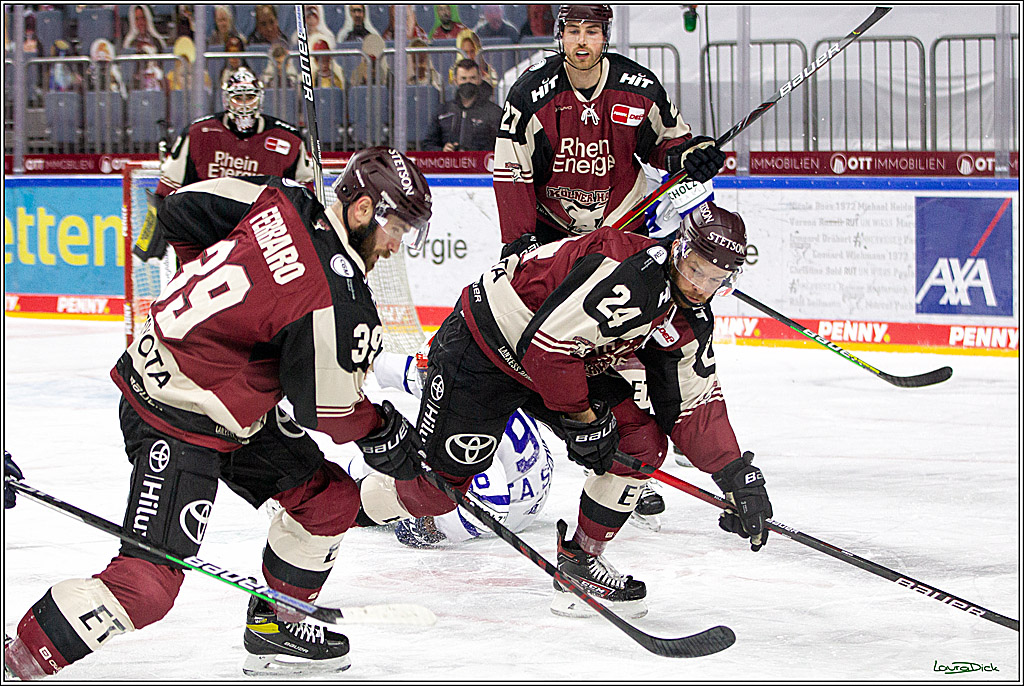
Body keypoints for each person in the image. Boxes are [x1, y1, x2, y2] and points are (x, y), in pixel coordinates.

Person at [3, 147, 435, 679]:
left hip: (215, 398)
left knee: (329, 500)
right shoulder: (339, 301)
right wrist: (386, 431)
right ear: (365, 211)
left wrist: (220, 311)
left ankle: (277, 627)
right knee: (146, 588)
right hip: (177, 415)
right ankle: (14, 661)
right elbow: (330, 413)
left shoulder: (281, 198)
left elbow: (178, 208)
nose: (396, 249)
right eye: (399, 230)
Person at [352, 200, 772, 621]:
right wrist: (584, 420)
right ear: (680, 247)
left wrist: (734, 476)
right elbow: (548, 349)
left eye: (715, 279)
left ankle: (581, 565)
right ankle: (347, 504)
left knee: (639, 443)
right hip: (487, 346)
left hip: (556, 361)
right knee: (436, 494)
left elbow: (691, 403)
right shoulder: (631, 276)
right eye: (695, 269)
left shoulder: (689, 318)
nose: (700, 286)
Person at [494, 4, 725, 250]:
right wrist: (518, 240)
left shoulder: (638, 87)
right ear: (560, 35)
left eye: (592, 32)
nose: (581, 41)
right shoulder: (529, 94)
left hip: (622, 224)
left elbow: (668, 143)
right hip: (551, 228)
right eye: (573, 31)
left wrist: (690, 156)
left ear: (605, 36)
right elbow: (513, 171)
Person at [340, 350, 555, 548]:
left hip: (514, 508)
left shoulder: (470, 423)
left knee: (378, 486)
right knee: (368, 462)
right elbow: (412, 373)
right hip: (529, 472)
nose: (425, 377)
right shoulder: (461, 374)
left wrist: (431, 525)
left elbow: (493, 506)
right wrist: (359, 360)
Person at [154, 67, 312, 201]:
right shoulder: (197, 133)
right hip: (209, 223)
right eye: (238, 98)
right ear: (227, 100)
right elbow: (168, 187)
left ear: (259, 99)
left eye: (249, 97)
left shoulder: (288, 139)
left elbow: (306, 191)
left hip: (263, 224)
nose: (244, 105)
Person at [424, 59, 501, 152]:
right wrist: (442, 151)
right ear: (455, 80)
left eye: (472, 78)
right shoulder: (443, 111)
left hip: (482, 164)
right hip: (449, 165)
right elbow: (428, 144)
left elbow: (502, 145)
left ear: (479, 79)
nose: (468, 82)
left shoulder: (494, 112)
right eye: (463, 78)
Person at [452, 28, 496, 92]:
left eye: (472, 51)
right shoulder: (452, 75)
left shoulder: (490, 72)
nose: (469, 57)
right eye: (465, 52)